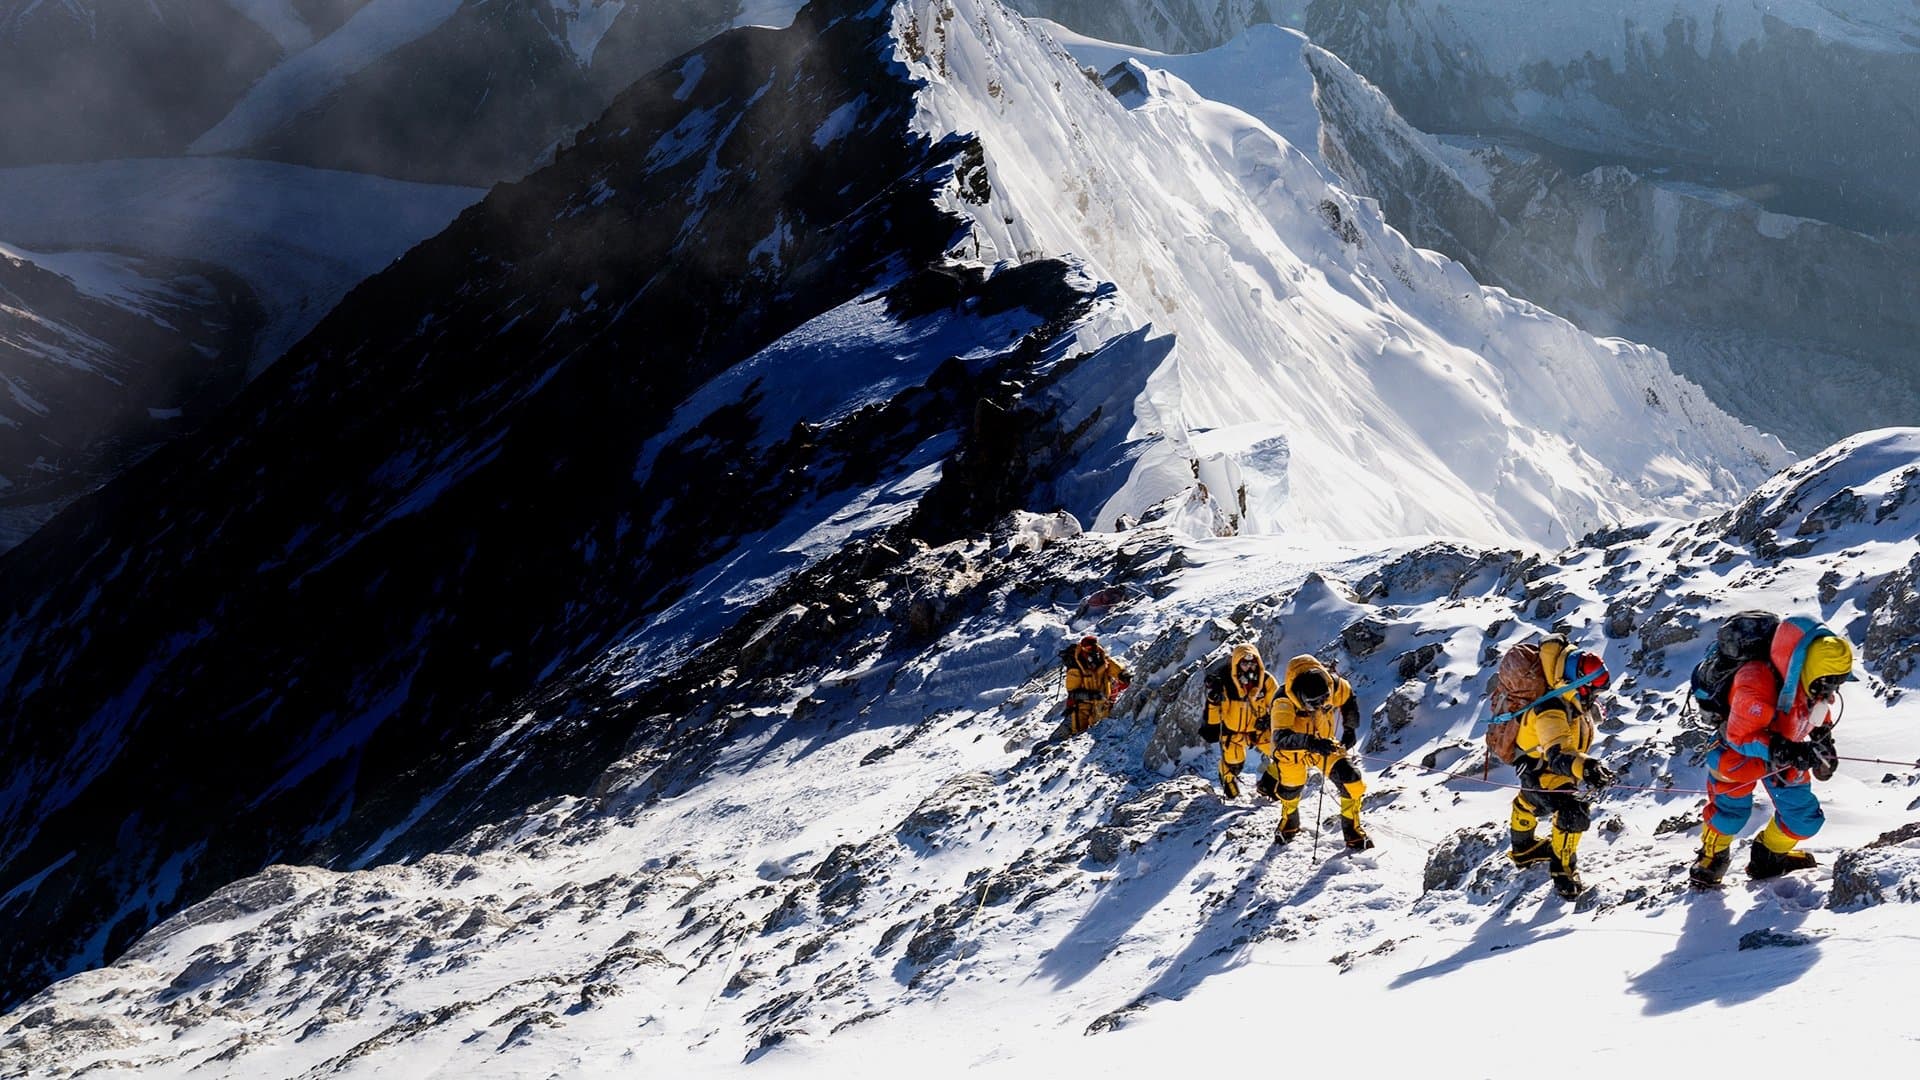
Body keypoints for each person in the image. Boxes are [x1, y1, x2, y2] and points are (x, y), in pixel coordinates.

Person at [1690, 618, 1853, 886]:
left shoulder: (1809, 681)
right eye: (1828, 682)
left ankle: (1768, 857)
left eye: (1836, 682)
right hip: (1738, 755)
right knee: (1730, 815)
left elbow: (1815, 709)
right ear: (1810, 668)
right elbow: (1739, 736)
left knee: (1804, 819)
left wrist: (1823, 740)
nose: (1831, 690)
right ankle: (1711, 859)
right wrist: (1787, 751)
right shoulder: (1754, 682)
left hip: (1787, 751)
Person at [1506, 639, 1616, 899]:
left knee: (1528, 802)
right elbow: (1558, 756)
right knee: (1572, 810)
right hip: (1541, 768)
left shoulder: (1566, 693)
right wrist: (1587, 767)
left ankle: (1523, 849)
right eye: (1592, 691)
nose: (1594, 697)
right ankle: (1563, 873)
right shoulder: (1550, 709)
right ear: (1577, 683)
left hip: (1533, 763)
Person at [1257, 655, 1372, 850]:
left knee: (1351, 779)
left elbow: (1348, 697)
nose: (1320, 705)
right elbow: (1281, 738)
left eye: (1324, 699)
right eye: (1314, 703)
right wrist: (1312, 743)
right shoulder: (1283, 701)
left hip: (1324, 745)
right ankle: (1289, 822)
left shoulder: (1332, 684)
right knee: (1291, 790)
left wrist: (1350, 727)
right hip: (1292, 753)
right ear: (1300, 696)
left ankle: (1352, 831)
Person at [1200, 644, 1279, 799]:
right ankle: (1227, 777)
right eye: (1244, 663)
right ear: (1237, 664)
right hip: (1233, 733)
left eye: (1252, 663)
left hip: (1260, 731)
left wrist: (1269, 720)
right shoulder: (1225, 683)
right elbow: (1216, 714)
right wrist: (1213, 701)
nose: (1249, 668)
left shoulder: (1267, 681)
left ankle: (1268, 785)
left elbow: (1278, 704)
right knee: (1234, 762)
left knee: (1284, 755)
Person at [1058, 634, 1131, 737]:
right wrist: (1090, 695)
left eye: (1093, 647)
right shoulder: (1076, 666)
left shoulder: (1102, 658)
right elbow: (1072, 692)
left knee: (1101, 728)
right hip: (1083, 702)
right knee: (1079, 729)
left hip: (1102, 698)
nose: (1090, 650)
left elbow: (1113, 667)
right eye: (1087, 648)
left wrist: (1123, 675)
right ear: (1082, 648)